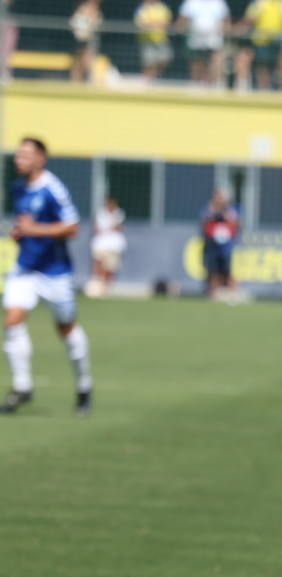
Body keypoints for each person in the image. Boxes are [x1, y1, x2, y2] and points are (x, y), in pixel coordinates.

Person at [1, 138, 90, 416]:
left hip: (55, 272)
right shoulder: (18, 188)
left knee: (65, 328)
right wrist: (20, 232)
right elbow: (26, 225)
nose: (19, 159)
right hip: (26, 268)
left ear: (41, 159)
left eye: (26, 154)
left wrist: (34, 230)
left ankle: (84, 385)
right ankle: (22, 386)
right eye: (18, 154)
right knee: (12, 320)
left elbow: (72, 227)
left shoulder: (53, 188)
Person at [242, 0, 282, 90]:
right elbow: (249, 20)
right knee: (262, 66)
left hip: (279, 40)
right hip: (261, 40)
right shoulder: (259, 2)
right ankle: (263, 89)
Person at [176, 0, 230, 85]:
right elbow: (183, 19)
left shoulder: (218, 3)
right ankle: (197, 82)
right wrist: (180, 28)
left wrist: (226, 30)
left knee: (215, 59)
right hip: (195, 37)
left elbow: (225, 20)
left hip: (214, 37)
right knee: (197, 60)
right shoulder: (191, 2)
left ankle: (215, 83)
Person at [200, 188, 239, 299]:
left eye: (221, 197)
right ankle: (214, 295)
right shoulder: (209, 209)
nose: (219, 199)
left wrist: (225, 214)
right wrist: (213, 212)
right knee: (213, 271)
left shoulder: (230, 210)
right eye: (217, 197)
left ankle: (233, 293)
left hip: (226, 246)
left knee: (228, 271)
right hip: (212, 245)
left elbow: (235, 222)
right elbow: (204, 222)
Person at [89, 195, 126, 297]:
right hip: (101, 244)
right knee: (99, 266)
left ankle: (107, 288)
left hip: (114, 246)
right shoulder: (100, 214)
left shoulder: (119, 213)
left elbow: (118, 227)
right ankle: (98, 287)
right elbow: (97, 228)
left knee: (110, 267)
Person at [135, 0, 174, 80]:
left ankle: (154, 75)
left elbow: (166, 22)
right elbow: (141, 23)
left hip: (161, 39)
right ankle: (147, 79)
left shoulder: (162, 8)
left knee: (166, 58)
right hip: (147, 39)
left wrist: (151, 24)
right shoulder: (143, 8)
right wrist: (156, 24)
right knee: (149, 62)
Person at [69, 0, 101, 84]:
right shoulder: (83, 9)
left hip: (90, 39)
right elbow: (75, 23)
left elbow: (97, 24)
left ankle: (85, 80)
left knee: (88, 61)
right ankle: (76, 80)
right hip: (81, 38)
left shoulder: (95, 10)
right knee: (79, 61)